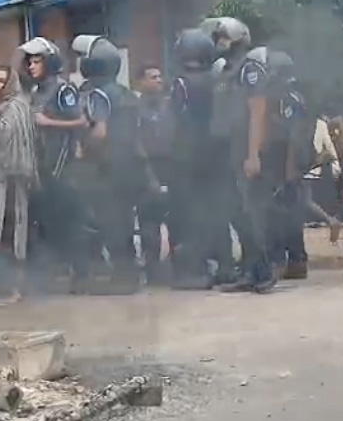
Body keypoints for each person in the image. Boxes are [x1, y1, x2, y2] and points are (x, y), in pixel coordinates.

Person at [202, 17, 275, 293]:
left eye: (222, 37)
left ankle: (264, 273)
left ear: (236, 38)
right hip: (230, 151)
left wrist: (253, 154)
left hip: (246, 150)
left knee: (251, 212)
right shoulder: (226, 71)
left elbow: (258, 112)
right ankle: (249, 271)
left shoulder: (250, 69)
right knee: (237, 213)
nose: (218, 43)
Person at [76, 34, 151, 294]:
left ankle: (122, 278)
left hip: (108, 167)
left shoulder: (97, 94)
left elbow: (100, 132)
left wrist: (84, 151)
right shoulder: (126, 92)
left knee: (111, 222)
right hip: (130, 164)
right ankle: (130, 274)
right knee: (125, 222)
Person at [19, 37, 90, 293]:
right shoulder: (37, 92)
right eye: (29, 62)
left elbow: (81, 122)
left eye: (36, 61)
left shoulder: (64, 90)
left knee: (71, 223)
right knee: (49, 224)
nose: (31, 66)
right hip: (43, 166)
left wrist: (49, 123)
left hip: (64, 166)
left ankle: (84, 275)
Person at [168, 29, 230, 289]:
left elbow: (176, 120)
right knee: (218, 213)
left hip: (189, 157)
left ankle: (196, 270)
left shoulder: (181, 83)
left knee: (191, 214)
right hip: (216, 154)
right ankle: (225, 266)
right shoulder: (217, 80)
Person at [0, 65, 36, 301]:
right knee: (0, 234)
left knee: (9, 233)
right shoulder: (9, 105)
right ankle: (4, 286)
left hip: (10, 180)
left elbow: (2, 135)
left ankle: (13, 288)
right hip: (0, 179)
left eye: (2, 81)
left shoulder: (14, 107)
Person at [261, 50, 314, 280]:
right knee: (284, 212)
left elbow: (295, 135)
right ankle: (295, 261)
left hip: (284, 162)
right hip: (279, 161)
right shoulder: (285, 96)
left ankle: (287, 261)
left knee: (283, 214)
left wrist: (291, 167)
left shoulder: (288, 99)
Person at [134, 64, 176, 286]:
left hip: (170, 166)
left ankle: (177, 267)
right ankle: (153, 271)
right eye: (152, 77)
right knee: (149, 225)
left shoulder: (169, 105)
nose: (158, 80)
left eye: (160, 75)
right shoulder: (135, 109)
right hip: (146, 167)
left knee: (175, 220)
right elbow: (136, 142)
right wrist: (149, 176)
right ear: (141, 82)